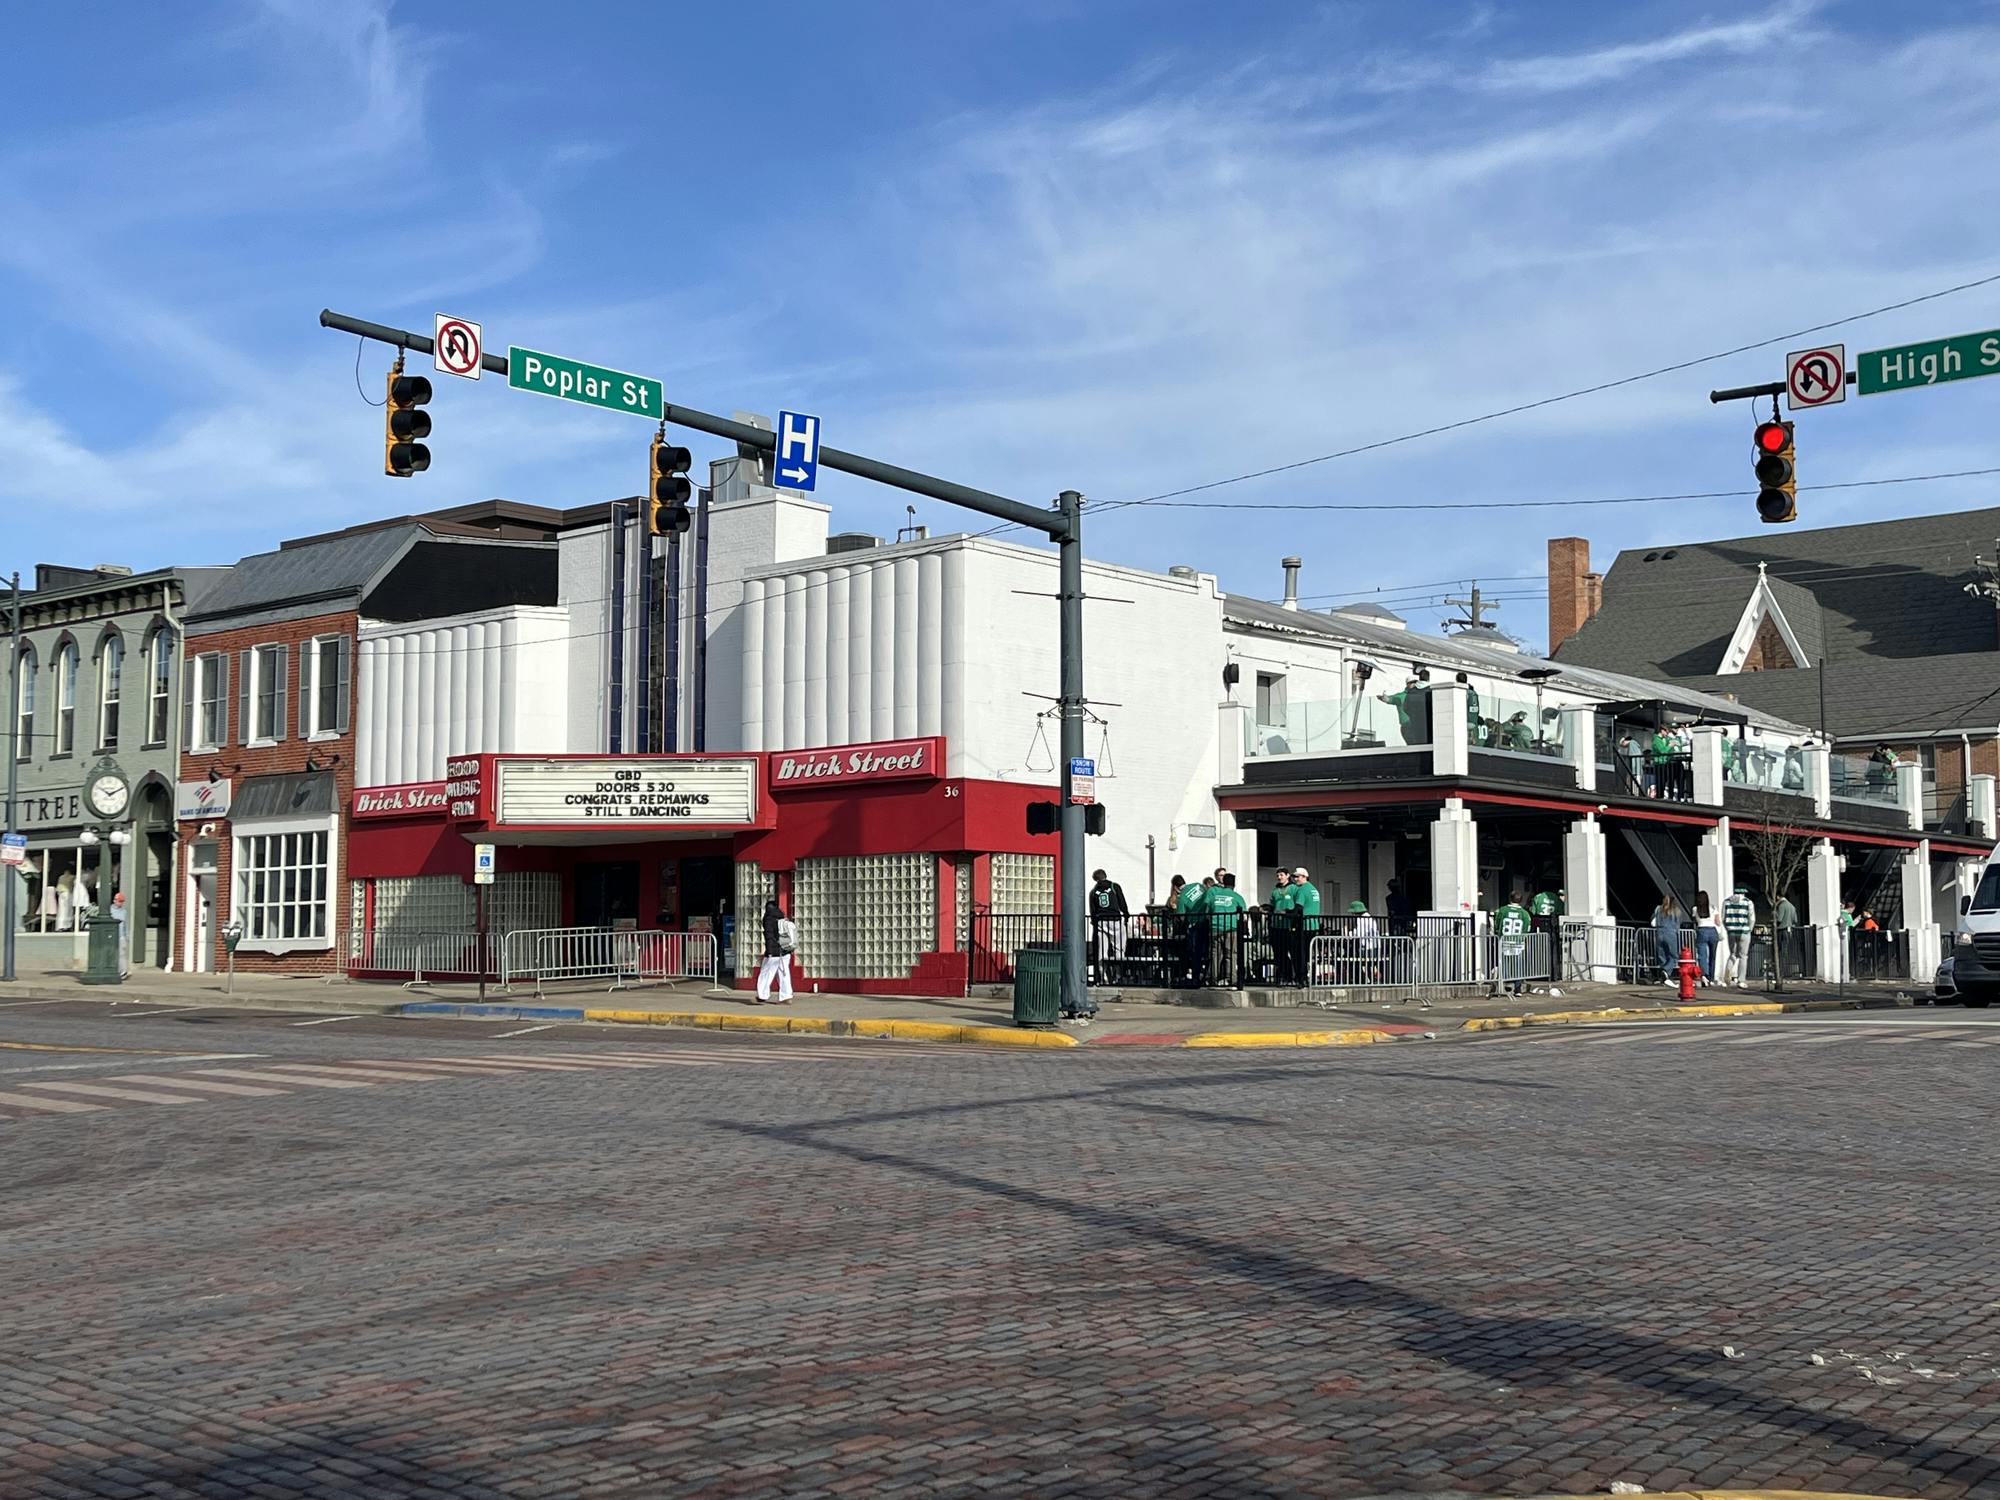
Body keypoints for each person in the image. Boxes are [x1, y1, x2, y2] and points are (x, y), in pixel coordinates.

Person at [1088, 868, 1130, 983]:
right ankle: (1118, 975)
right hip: (1115, 919)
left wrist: (1094, 921)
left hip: (1101, 920)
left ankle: (1102, 977)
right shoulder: (1114, 886)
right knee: (1119, 948)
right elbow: (1122, 902)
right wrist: (1126, 914)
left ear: (1096, 879)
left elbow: (1093, 910)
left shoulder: (1093, 891)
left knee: (1102, 950)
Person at [1206, 873, 1248, 986]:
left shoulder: (1214, 896)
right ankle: (1232, 979)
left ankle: (1213, 979)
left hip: (1215, 927)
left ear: (1223, 883)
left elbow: (1207, 911)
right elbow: (1243, 916)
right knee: (1231, 954)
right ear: (1234, 884)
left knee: (1215, 954)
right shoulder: (1237, 896)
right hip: (1231, 928)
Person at [756, 895, 795, 1004]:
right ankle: (787, 996)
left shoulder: (769, 919)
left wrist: (769, 952)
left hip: (773, 953)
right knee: (783, 973)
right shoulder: (782, 917)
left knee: (765, 973)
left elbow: (769, 937)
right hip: (785, 951)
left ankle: (762, 995)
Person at [1493, 891, 1534, 996]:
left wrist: (1498, 933)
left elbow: (1497, 925)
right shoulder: (1525, 914)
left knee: (1504, 962)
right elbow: (1527, 928)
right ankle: (1518, 988)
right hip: (1518, 942)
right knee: (1518, 965)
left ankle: (1506, 983)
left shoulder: (1502, 911)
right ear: (1521, 900)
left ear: (1510, 898)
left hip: (1505, 940)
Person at [1289, 866, 1321, 985]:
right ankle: (1310, 977)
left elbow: (1298, 908)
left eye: (1298, 877)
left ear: (1304, 877)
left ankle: (1301, 978)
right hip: (1314, 925)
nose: (1295, 879)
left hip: (1304, 925)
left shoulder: (1302, 890)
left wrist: (1287, 914)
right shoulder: (1314, 889)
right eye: (1294, 877)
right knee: (1309, 953)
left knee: (1299, 953)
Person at [1177, 873, 1210, 987]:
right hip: (1208, 921)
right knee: (1209, 950)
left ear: (1176, 887)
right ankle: (1207, 975)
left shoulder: (1182, 897)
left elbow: (1181, 916)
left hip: (1195, 925)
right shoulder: (1197, 885)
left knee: (1196, 952)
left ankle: (1195, 977)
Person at [1721, 884, 1756, 988]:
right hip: (1744, 931)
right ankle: (1741, 980)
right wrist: (1749, 929)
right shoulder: (1748, 902)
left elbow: (1723, 917)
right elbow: (1752, 918)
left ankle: (1727, 977)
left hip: (1731, 931)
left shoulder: (1726, 902)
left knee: (1733, 954)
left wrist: (1728, 928)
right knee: (1743, 956)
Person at [1528, 884, 1563, 977]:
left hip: (1540, 924)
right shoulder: (1556, 898)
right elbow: (1561, 911)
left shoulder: (1537, 897)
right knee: (1553, 949)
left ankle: (1539, 972)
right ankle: (1553, 973)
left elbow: (1533, 911)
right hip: (1552, 924)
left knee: (1539, 949)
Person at [1268, 870, 1295, 983]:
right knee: (1279, 953)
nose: (1279, 877)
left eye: (1281, 875)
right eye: (1278, 875)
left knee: (1292, 952)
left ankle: (1292, 976)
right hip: (1276, 926)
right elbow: (1272, 906)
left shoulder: (1293, 888)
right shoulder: (1275, 891)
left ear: (1287, 876)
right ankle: (1283, 975)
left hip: (1289, 926)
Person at [1651, 894, 1683, 985]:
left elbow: (1653, 921)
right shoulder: (1676, 911)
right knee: (1674, 956)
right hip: (1671, 933)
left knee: (1662, 955)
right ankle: (1666, 971)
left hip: (1659, 933)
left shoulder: (1658, 909)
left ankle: (1663, 976)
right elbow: (1678, 923)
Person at [1692, 891, 1720, 988]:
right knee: (1712, 956)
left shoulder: (1695, 909)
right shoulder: (1713, 908)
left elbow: (1695, 920)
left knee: (1702, 955)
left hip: (1701, 930)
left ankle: (1704, 975)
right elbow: (1718, 922)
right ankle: (1711, 978)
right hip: (1712, 931)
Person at [111, 891, 131, 979]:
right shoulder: (110, 910)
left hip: (121, 936)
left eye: (122, 901)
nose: (120, 903)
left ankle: (123, 971)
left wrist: (127, 936)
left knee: (122, 954)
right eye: (119, 901)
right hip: (112, 936)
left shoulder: (124, 912)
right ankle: (115, 970)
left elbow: (125, 924)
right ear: (114, 900)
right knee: (112, 954)